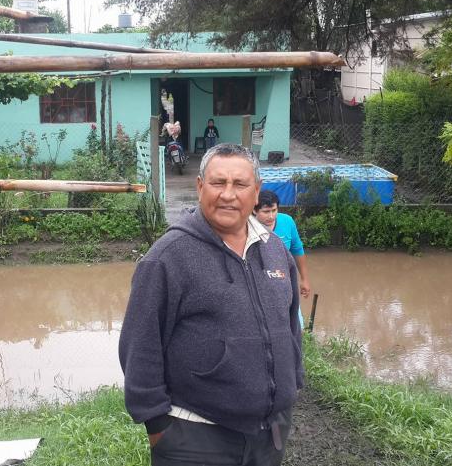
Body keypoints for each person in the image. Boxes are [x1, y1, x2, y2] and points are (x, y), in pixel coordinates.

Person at [119, 143, 303, 466]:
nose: (228, 194)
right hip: (195, 436)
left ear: (256, 191)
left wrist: (293, 382)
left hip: (270, 432)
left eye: (240, 184)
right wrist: (158, 427)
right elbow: (140, 344)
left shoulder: (275, 250)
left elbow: (290, 326)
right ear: (200, 186)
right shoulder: (168, 257)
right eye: (218, 183)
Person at [253, 190, 312, 330]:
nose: (271, 216)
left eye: (274, 210)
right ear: (254, 211)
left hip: (285, 281)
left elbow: (297, 249)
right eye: (266, 212)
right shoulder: (246, 227)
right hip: (259, 284)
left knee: (296, 325)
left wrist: (304, 279)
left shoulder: (287, 222)